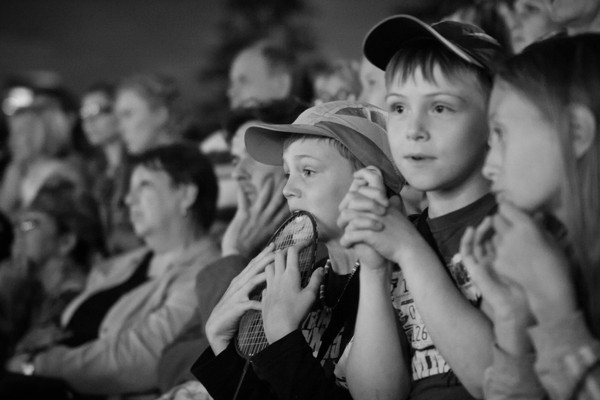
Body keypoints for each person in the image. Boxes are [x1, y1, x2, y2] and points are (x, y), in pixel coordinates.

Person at [190, 101, 405, 400]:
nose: (287, 189)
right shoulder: (301, 282)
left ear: (370, 179)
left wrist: (283, 338)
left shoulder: (405, 278)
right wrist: (222, 347)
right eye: (287, 173)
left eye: (307, 171)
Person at [337, 15, 504, 399]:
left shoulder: (515, 226)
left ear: (496, 124)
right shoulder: (400, 233)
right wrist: (375, 269)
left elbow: (497, 381)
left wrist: (408, 249)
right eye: (398, 108)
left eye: (441, 108)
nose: (413, 129)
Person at [1, 144, 221, 399]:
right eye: (130, 188)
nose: (128, 199)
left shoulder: (204, 273)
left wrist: (37, 366)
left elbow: (141, 357)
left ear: (186, 195)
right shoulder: (121, 264)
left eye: (144, 186)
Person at [459, 33, 600, 400]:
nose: (488, 167)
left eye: (501, 134)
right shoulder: (560, 253)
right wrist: (512, 317)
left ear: (575, 132)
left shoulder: (553, 270)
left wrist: (554, 303)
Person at [156, 100, 304, 397]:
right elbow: (168, 363)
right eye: (235, 160)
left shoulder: (308, 252)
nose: (238, 173)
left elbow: (242, 364)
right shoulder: (251, 244)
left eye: (251, 155)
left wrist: (233, 255)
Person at [0, 178, 105, 366]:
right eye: (17, 224)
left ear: (66, 242)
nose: (19, 233)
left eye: (30, 224)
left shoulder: (77, 305)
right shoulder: (32, 293)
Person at [80, 81, 137, 254]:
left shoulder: (139, 165)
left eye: (97, 111)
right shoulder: (93, 171)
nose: (89, 121)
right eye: (84, 113)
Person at [115, 73, 186, 156]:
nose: (120, 128)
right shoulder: (135, 167)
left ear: (160, 114)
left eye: (128, 115)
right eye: (119, 118)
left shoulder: (195, 166)